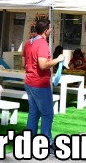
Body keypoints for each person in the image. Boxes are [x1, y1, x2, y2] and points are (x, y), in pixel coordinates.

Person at [23, 19, 63, 154]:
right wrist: (58, 60)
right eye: (50, 28)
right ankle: (47, 143)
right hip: (40, 83)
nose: (51, 30)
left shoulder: (28, 42)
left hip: (29, 81)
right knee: (47, 114)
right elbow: (43, 65)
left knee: (33, 112)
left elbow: (24, 63)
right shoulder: (42, 44)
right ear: (46, 30)